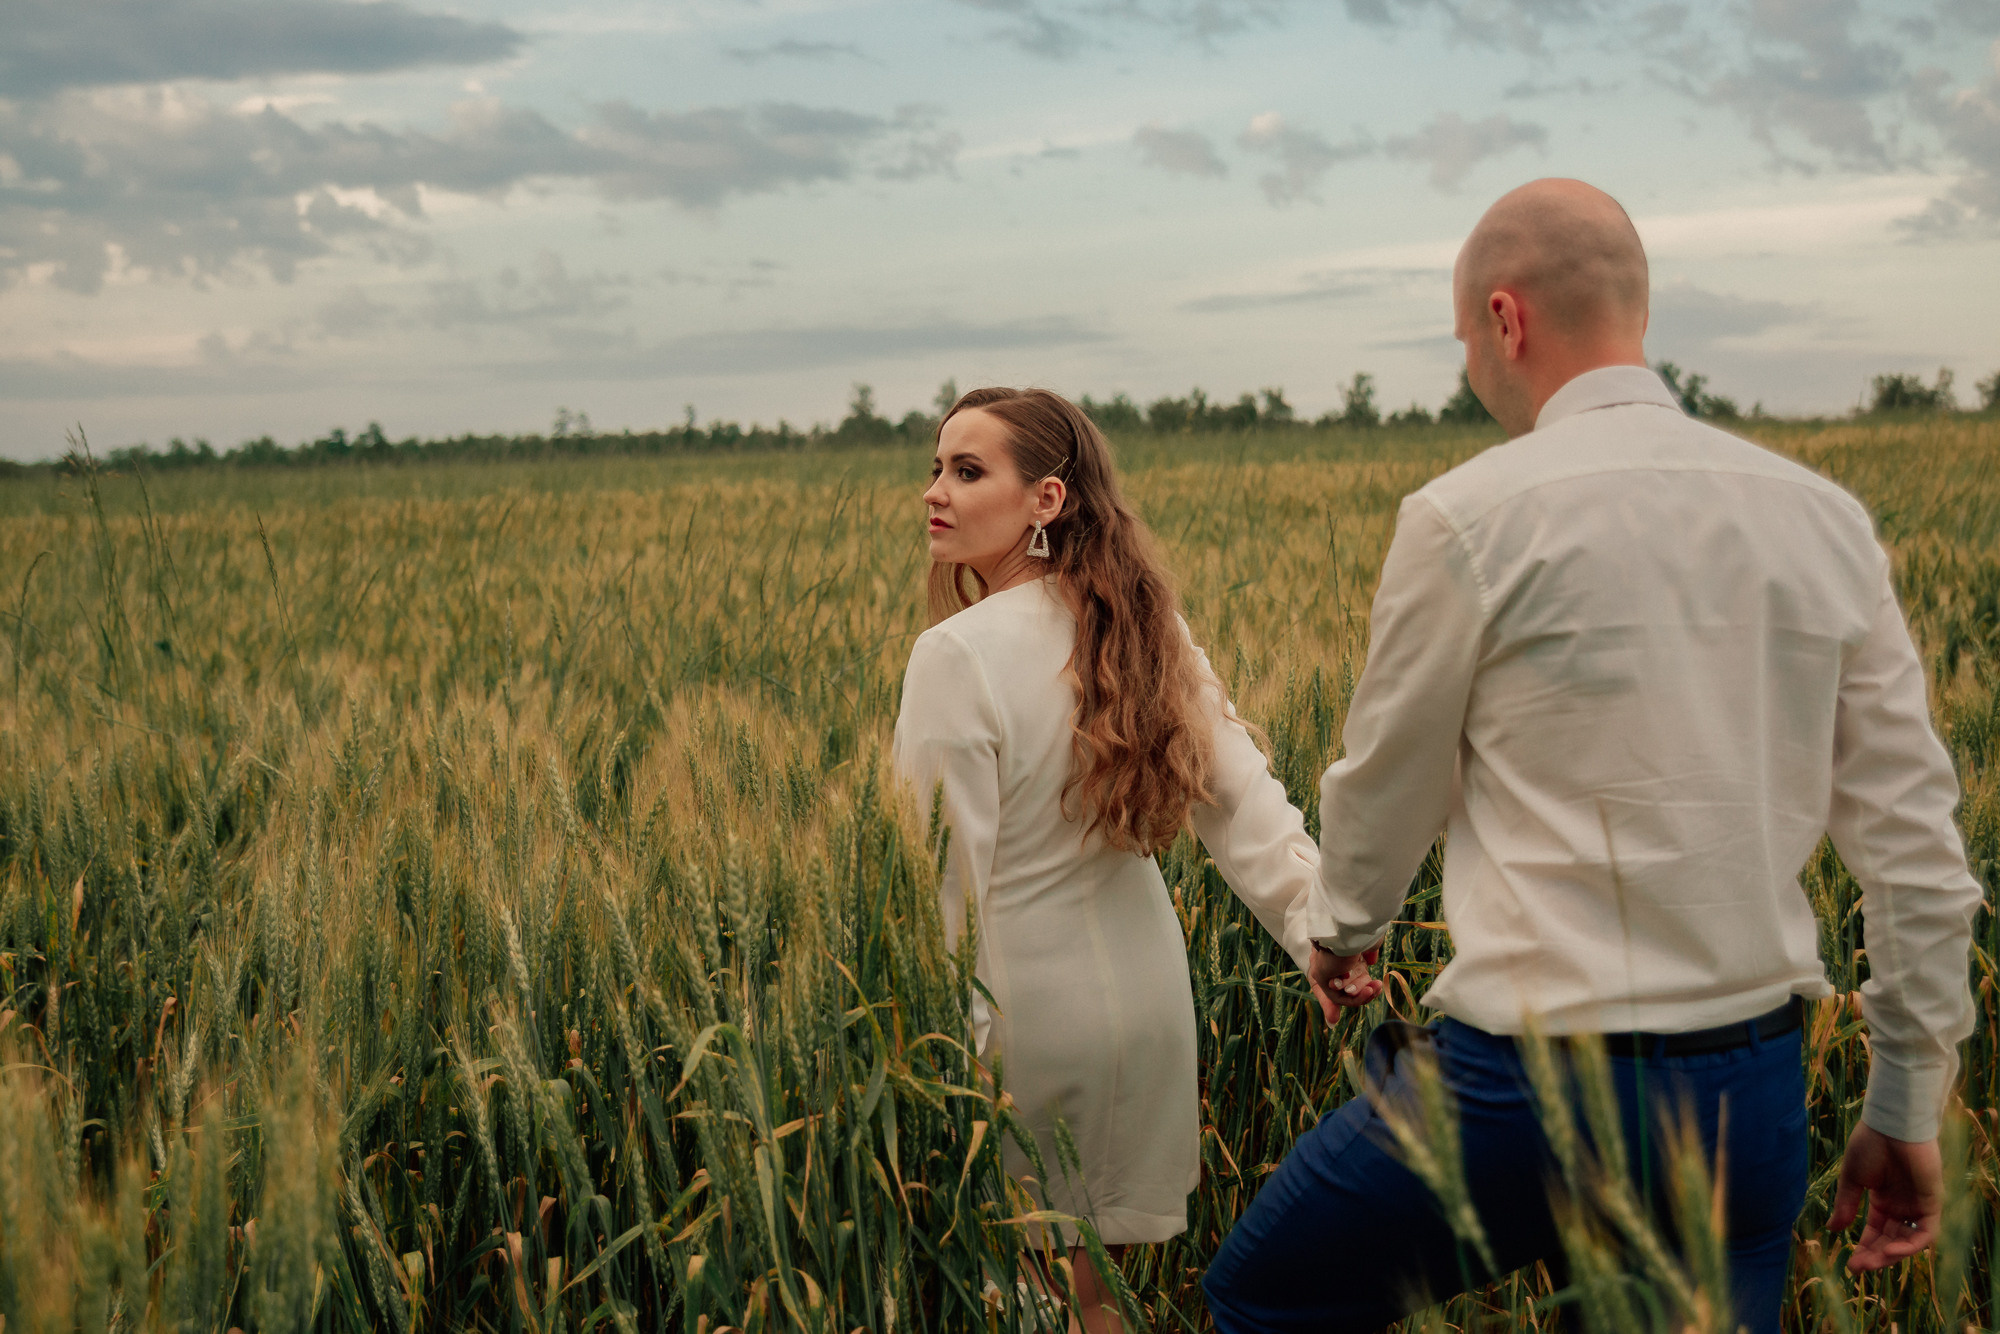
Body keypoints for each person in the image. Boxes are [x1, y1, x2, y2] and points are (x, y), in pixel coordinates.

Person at [1202, 178, 1982, 1333]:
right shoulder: (1819, 518)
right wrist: (1908, 1093)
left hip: (1517, 1089)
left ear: (1505, 320)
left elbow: (1385, 783)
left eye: (1466, 338)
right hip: (1743, 1094)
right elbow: (1916, 851)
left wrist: (1340, 929)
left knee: (1266, 1293)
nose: (1472, 365)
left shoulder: (1465, 517)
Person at [892, 387, 1368, 1333]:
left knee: (1028, 1300)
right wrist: (1321, 933)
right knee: (1088, 1294)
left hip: (1020, 1022)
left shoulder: (953, 655)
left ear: (1048, 500)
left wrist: (945, 1069)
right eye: (936, 468)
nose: (935, 493)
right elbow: (1243, 803)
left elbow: (944, 888)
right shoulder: (1146, 629)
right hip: (1146, 1004)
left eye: (968, 470)